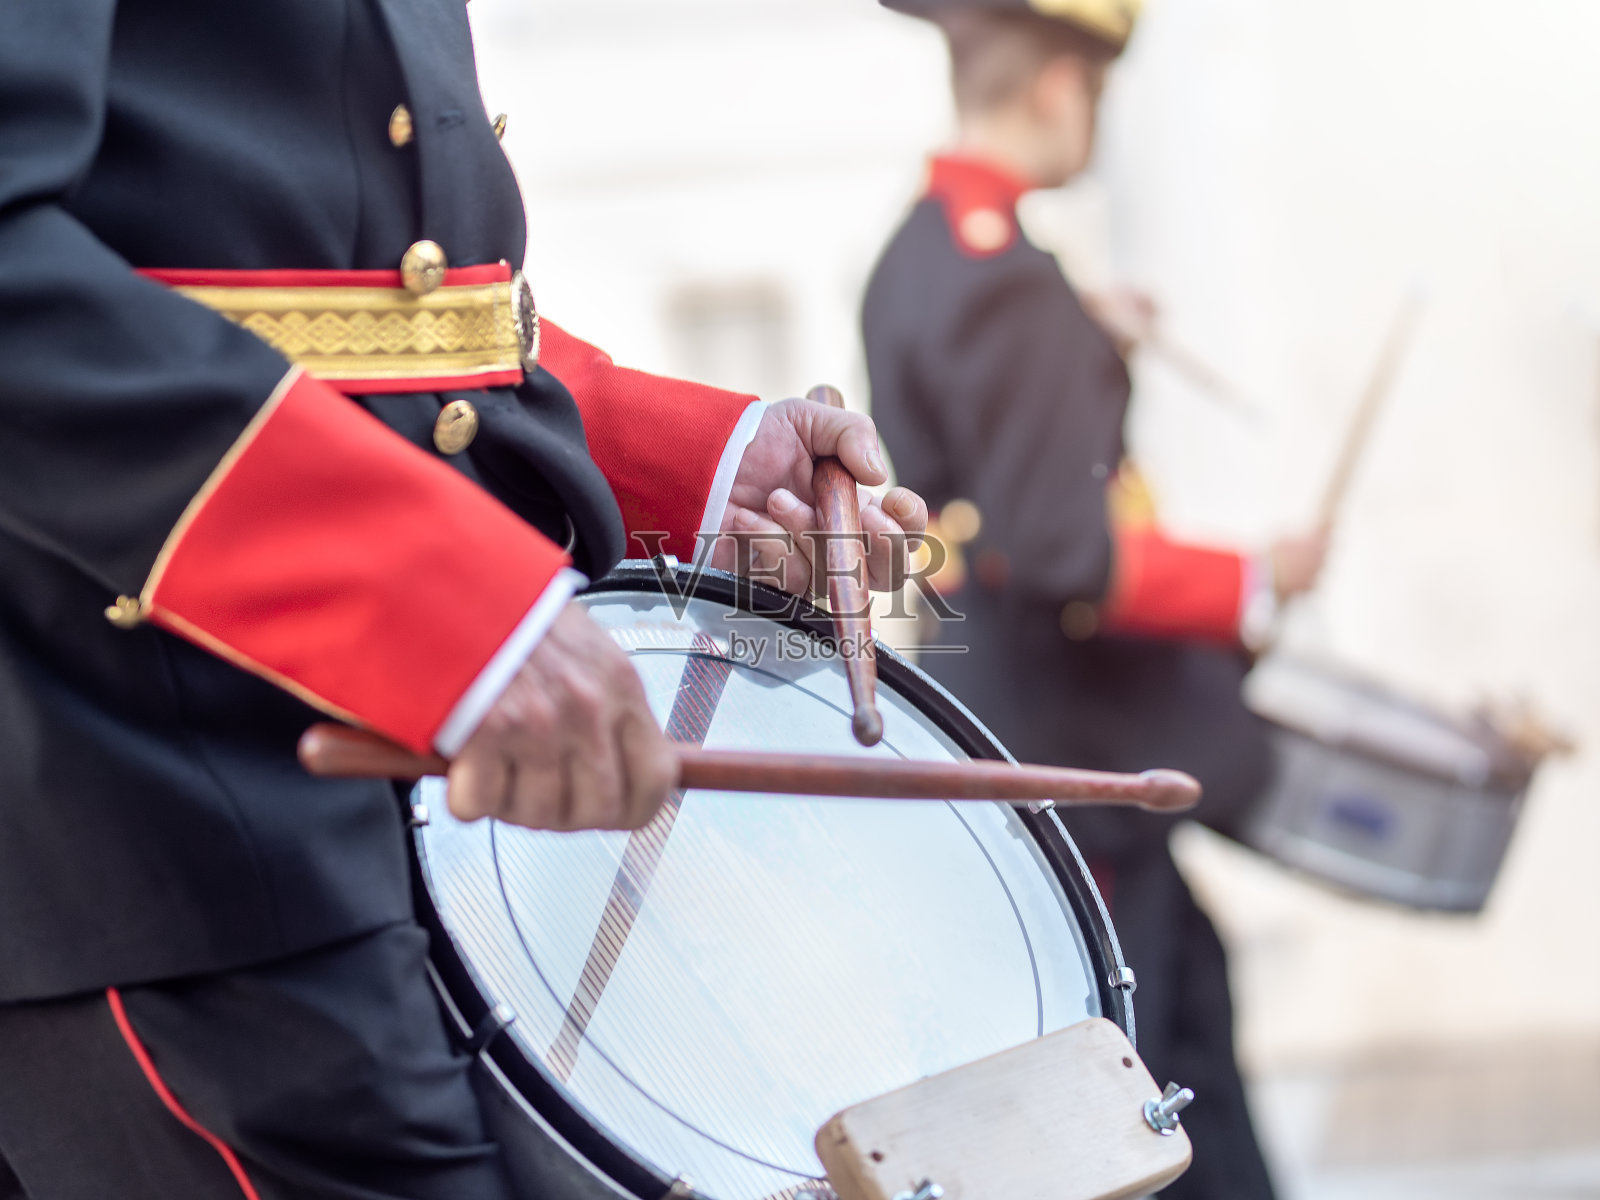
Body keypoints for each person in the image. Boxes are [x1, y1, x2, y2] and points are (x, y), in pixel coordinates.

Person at [0, 4, 927, 1198]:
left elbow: (368, 291)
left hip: (375, 809)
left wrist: (680, 468)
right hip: (145, 783)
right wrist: (438, 605)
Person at [863, 3, 1327, 1197]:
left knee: (1172, 1070)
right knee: (1155, 1108)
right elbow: (1066, 551)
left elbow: (976, 484)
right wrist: (1256, 577)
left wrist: (1085, 340)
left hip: (1011, 737)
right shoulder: (1011, 284)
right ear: (1063, 89)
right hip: (1077, 764)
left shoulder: (922, 253)